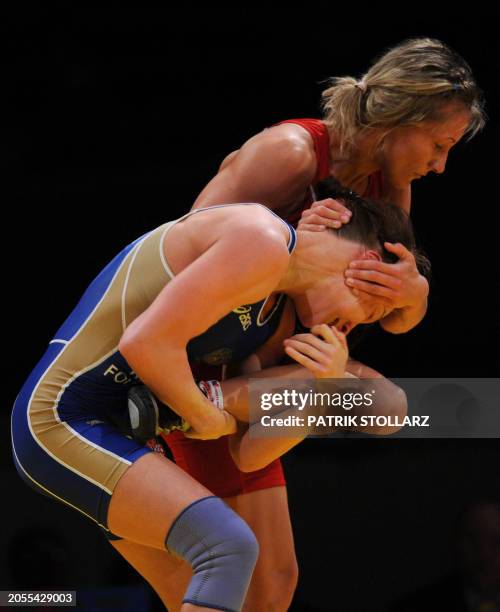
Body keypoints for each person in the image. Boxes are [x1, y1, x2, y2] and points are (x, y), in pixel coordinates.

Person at [155, 37, 486, 609]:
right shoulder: (290, 153)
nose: (440, 165)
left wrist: (414, 294)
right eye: (438, 144)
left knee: (277, 580)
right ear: (399, 118)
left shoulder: (391, 184)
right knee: (237, 581)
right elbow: (176, 256)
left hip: (281, 370)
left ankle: (233, 401)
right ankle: (186, 403)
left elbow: (386, 318)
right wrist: (291, 247)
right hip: (204, 354)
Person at [12, 182, 424, 611]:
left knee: (233, 596)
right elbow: (143, 344)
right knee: (227, 548)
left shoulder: (274, 316)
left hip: (116, 432)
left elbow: (246, 454)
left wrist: (318, 397)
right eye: (369, 315)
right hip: (62, 418)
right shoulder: (261, 238)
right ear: (369, 265)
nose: (348, 329)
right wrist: (206, 417)